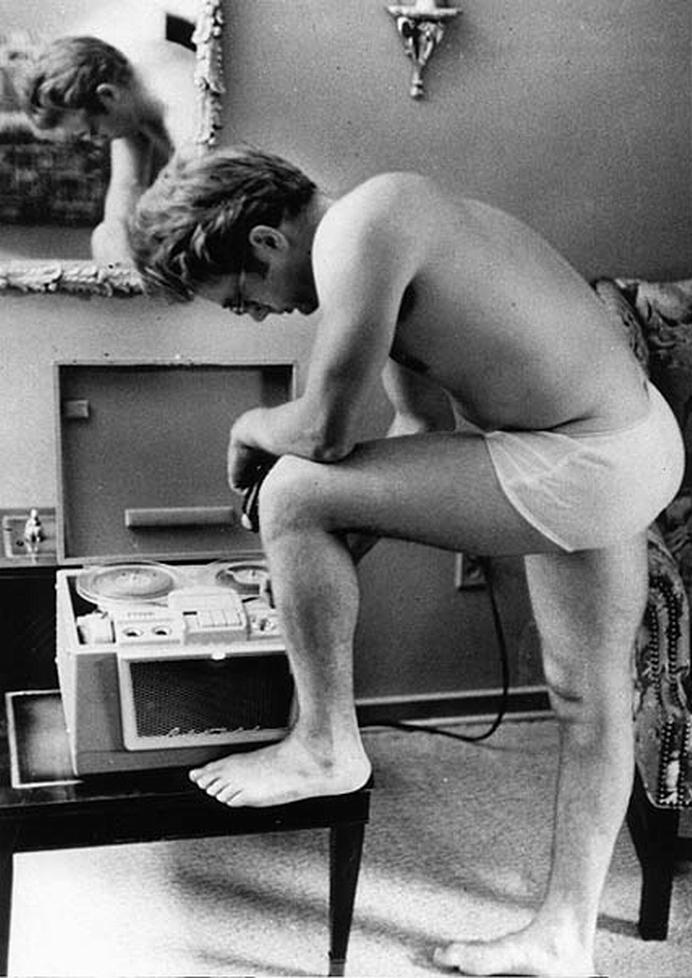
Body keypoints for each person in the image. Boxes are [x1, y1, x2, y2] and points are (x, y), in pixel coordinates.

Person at [130, 147, 684, 977]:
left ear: (266, 242)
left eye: (242, 298)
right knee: (588, 695)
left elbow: (321, 436)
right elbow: (419, 430)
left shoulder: (363, 228)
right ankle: (563, 940)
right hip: (629, 443)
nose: (257, 316)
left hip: (583, 461)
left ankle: (325, 745)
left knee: (290, 490)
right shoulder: (381, 225)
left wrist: (247, 432)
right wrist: (325, 555)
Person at [22, 34, 197, 263]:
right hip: (206, 186)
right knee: (107, 236)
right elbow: (127, 187)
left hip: (231, 193)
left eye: (93, 130)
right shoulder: (123, 84)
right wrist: (118, 242)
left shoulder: (181, 103)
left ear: (108, 95)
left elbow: (204, 193)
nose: (96, 141)